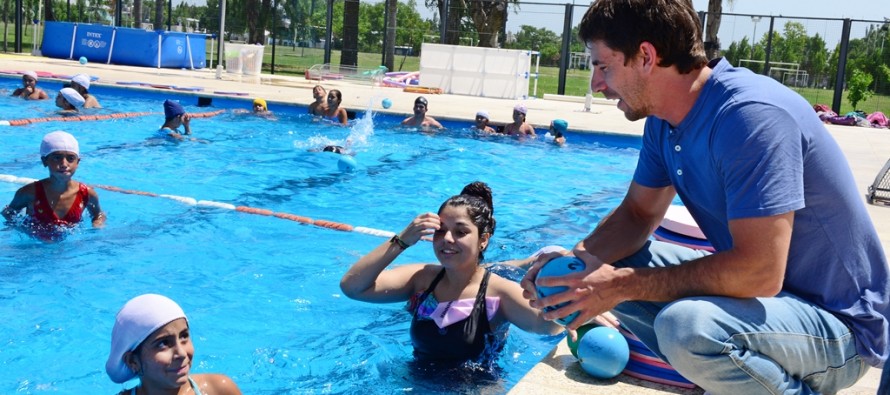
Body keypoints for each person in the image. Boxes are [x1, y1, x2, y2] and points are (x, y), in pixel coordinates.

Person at [520, 1, 889, 394]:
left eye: (603, 66)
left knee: (687, 329)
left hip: (840, 327)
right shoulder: (664, 122)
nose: (595, 83)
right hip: (773, 306)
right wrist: (576, 266)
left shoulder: (749, 116)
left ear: (646, 56)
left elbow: (760, 272)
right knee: (607, 263)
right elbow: (636, 214)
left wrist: (621, 286)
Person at [340, 181, 561, 362]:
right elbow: (353, 287)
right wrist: (401, 241)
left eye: (461, 232)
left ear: (483, 240)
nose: (447, 239)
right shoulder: (422, 279)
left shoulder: (499, 293)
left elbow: (549, 325)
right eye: (441, 230)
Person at [106, 293, 242, 395]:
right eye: (163, 343)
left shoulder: (219, 390)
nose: (182, 353)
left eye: (184, 336)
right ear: (132, 361)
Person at [2, 131, 105, 241]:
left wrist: (97, 226)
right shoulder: (29, 192)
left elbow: (98, 215)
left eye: (70, 158)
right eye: (57, 157)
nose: (64, 164)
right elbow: (8, 213)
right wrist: (28, 231)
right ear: (45, 161)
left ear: (77, 162)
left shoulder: (86, 194)